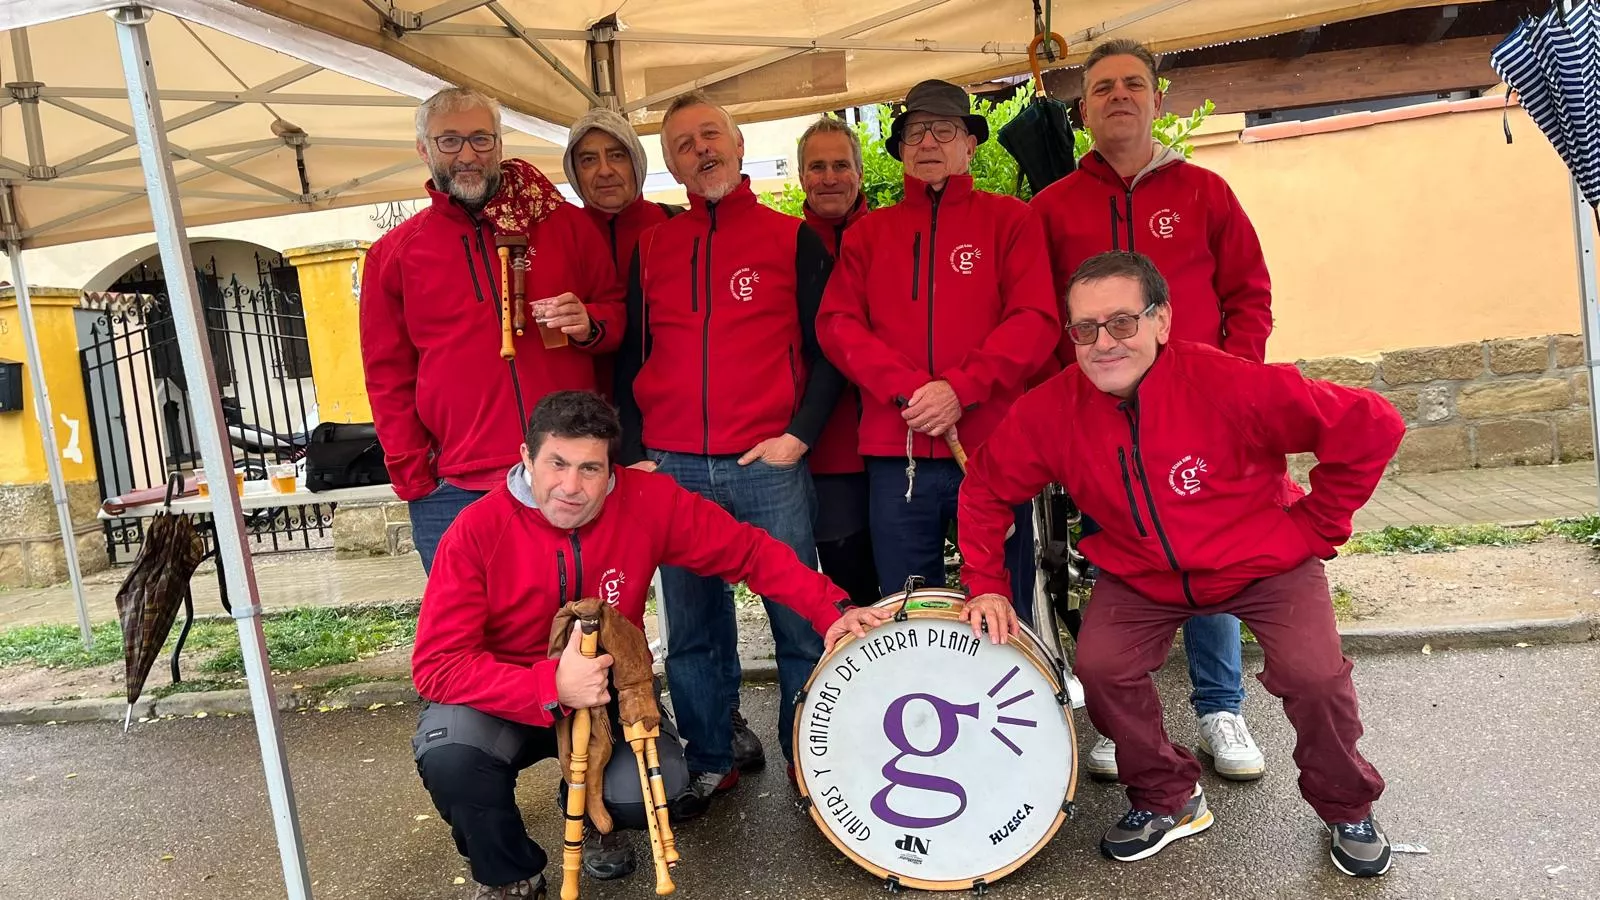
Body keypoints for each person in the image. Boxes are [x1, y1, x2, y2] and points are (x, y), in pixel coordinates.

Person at [957, 251, 1400, 878]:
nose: (1102, 343)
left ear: (1162, 320)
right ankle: (1168, 796)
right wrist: (985, 585)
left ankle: (1347, 806)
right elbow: (984, 491)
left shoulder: (1230, 383)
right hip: (1142, 574)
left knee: (1314, 677)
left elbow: (1372, 424)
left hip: (1262, 562)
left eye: (1121, 322)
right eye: (1084, 329)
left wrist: (1317, 524)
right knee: (1102, 668)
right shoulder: (1050, 411)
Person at [412, 390, 891, 899]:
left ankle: (594, 814)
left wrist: (832, 609)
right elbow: (437, 666)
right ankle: (510, 872)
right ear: (527, 457)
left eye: (590, 469)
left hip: (611, 691)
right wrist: (550, 684)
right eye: (556, 464)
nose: (570, 486)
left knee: (651, 792)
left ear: (611, 470)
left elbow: (749, 552)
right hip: (506, 697)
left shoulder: (647, 499)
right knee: (452, 756)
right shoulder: (476, 529)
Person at [1030, 38, 1276, 782]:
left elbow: (1249, 296)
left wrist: (1233, 384)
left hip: (1201, 416)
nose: (1119, 97)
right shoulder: (1051, 208)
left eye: (1133, 84)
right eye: (1102, 88)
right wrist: (1069, 405)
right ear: (1083, 110)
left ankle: (1219, 707)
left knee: (1214, 557)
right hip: (1103, 426)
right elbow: (1039, 320)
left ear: (1157, 100)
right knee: (1119, 558)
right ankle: (1123, 719)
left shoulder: (1206, 192)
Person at [613, 91, 847, 802]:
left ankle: (811, 763)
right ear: (672, 163)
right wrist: (635, 449)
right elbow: (628, 359)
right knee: (691, 631)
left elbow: (828, 350)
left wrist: (797, 437)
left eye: (711, 135)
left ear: (739, 147)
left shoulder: (790, 239)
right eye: (684, 144)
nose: (701, 150)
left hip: (764, 464)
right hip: (673, 466)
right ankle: (710, 759)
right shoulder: (652, 246)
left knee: (800, 624)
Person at [816, 79, 1058, 625]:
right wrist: (910, 391)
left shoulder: (1010, 221)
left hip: (992, 448)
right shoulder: (868, 235)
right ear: (900, 148)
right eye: (914, 132)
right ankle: (922, 710)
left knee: (1003, 598)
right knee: (908, 606)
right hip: (895, 451)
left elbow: (1035, 320)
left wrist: (959, 389)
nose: (928, 143)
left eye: (943, 130)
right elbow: (837, 325)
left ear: (969, 145)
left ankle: (1013, 708)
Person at [361, 87, 624, 574]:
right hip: (457, 486)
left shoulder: (562, 223)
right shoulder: (394, 254)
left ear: (499, 144)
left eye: (482, 139)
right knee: (467, 639)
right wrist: (417, 479)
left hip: (569, 474)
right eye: (450, 142)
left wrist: (591, 324)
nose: (467, 155)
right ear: (423, 149)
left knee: (581, 629)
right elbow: (387, 377)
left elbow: (616, 316)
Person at [797, 116, 878, 608]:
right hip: (829, 446)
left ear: (860, 173)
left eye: (841, 166)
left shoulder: (890, 233)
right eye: (817, 167)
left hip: (899, 435)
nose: (829, 178)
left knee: (904, 577)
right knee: (849, 580)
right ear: (802, 177)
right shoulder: (783, 243)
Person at [562, 108, 679, 400]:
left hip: (669, 404)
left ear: (636, 162)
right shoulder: (560, 234)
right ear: (574, 172)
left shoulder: (673, 226)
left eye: (616, 155)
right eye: (588, 160)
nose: (604, 170)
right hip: (586, 411)